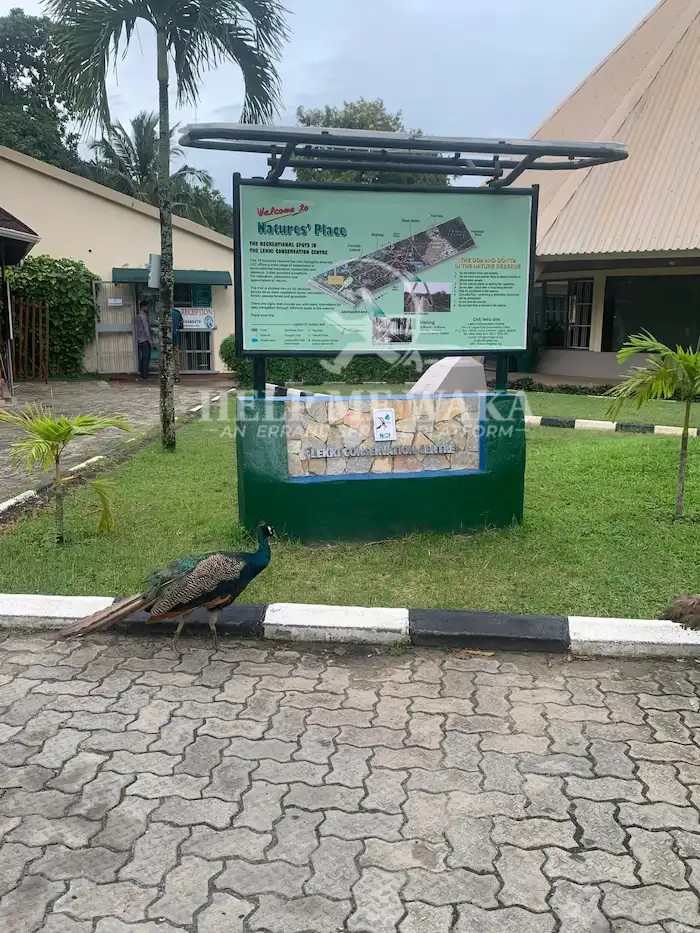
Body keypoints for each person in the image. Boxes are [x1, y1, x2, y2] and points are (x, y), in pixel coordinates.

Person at [135, 300, 153, 381]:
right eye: (147, 306)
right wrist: (151, 341)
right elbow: (146, 329)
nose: (148, 308)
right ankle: (145, 376)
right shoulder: (143, 316)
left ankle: (142, 374)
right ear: (143, 307)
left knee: (143, 358)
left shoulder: (138, 316)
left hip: (140, 340)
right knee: (146, 358)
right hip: (145, 340)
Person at [172, 307, 183, 382]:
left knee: (167, 358)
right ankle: (176, 376)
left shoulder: (162, 313)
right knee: (176, 358)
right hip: (176, 340)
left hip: (166, 342)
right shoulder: (177, 313)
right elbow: (182, 325)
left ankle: (168, 375)